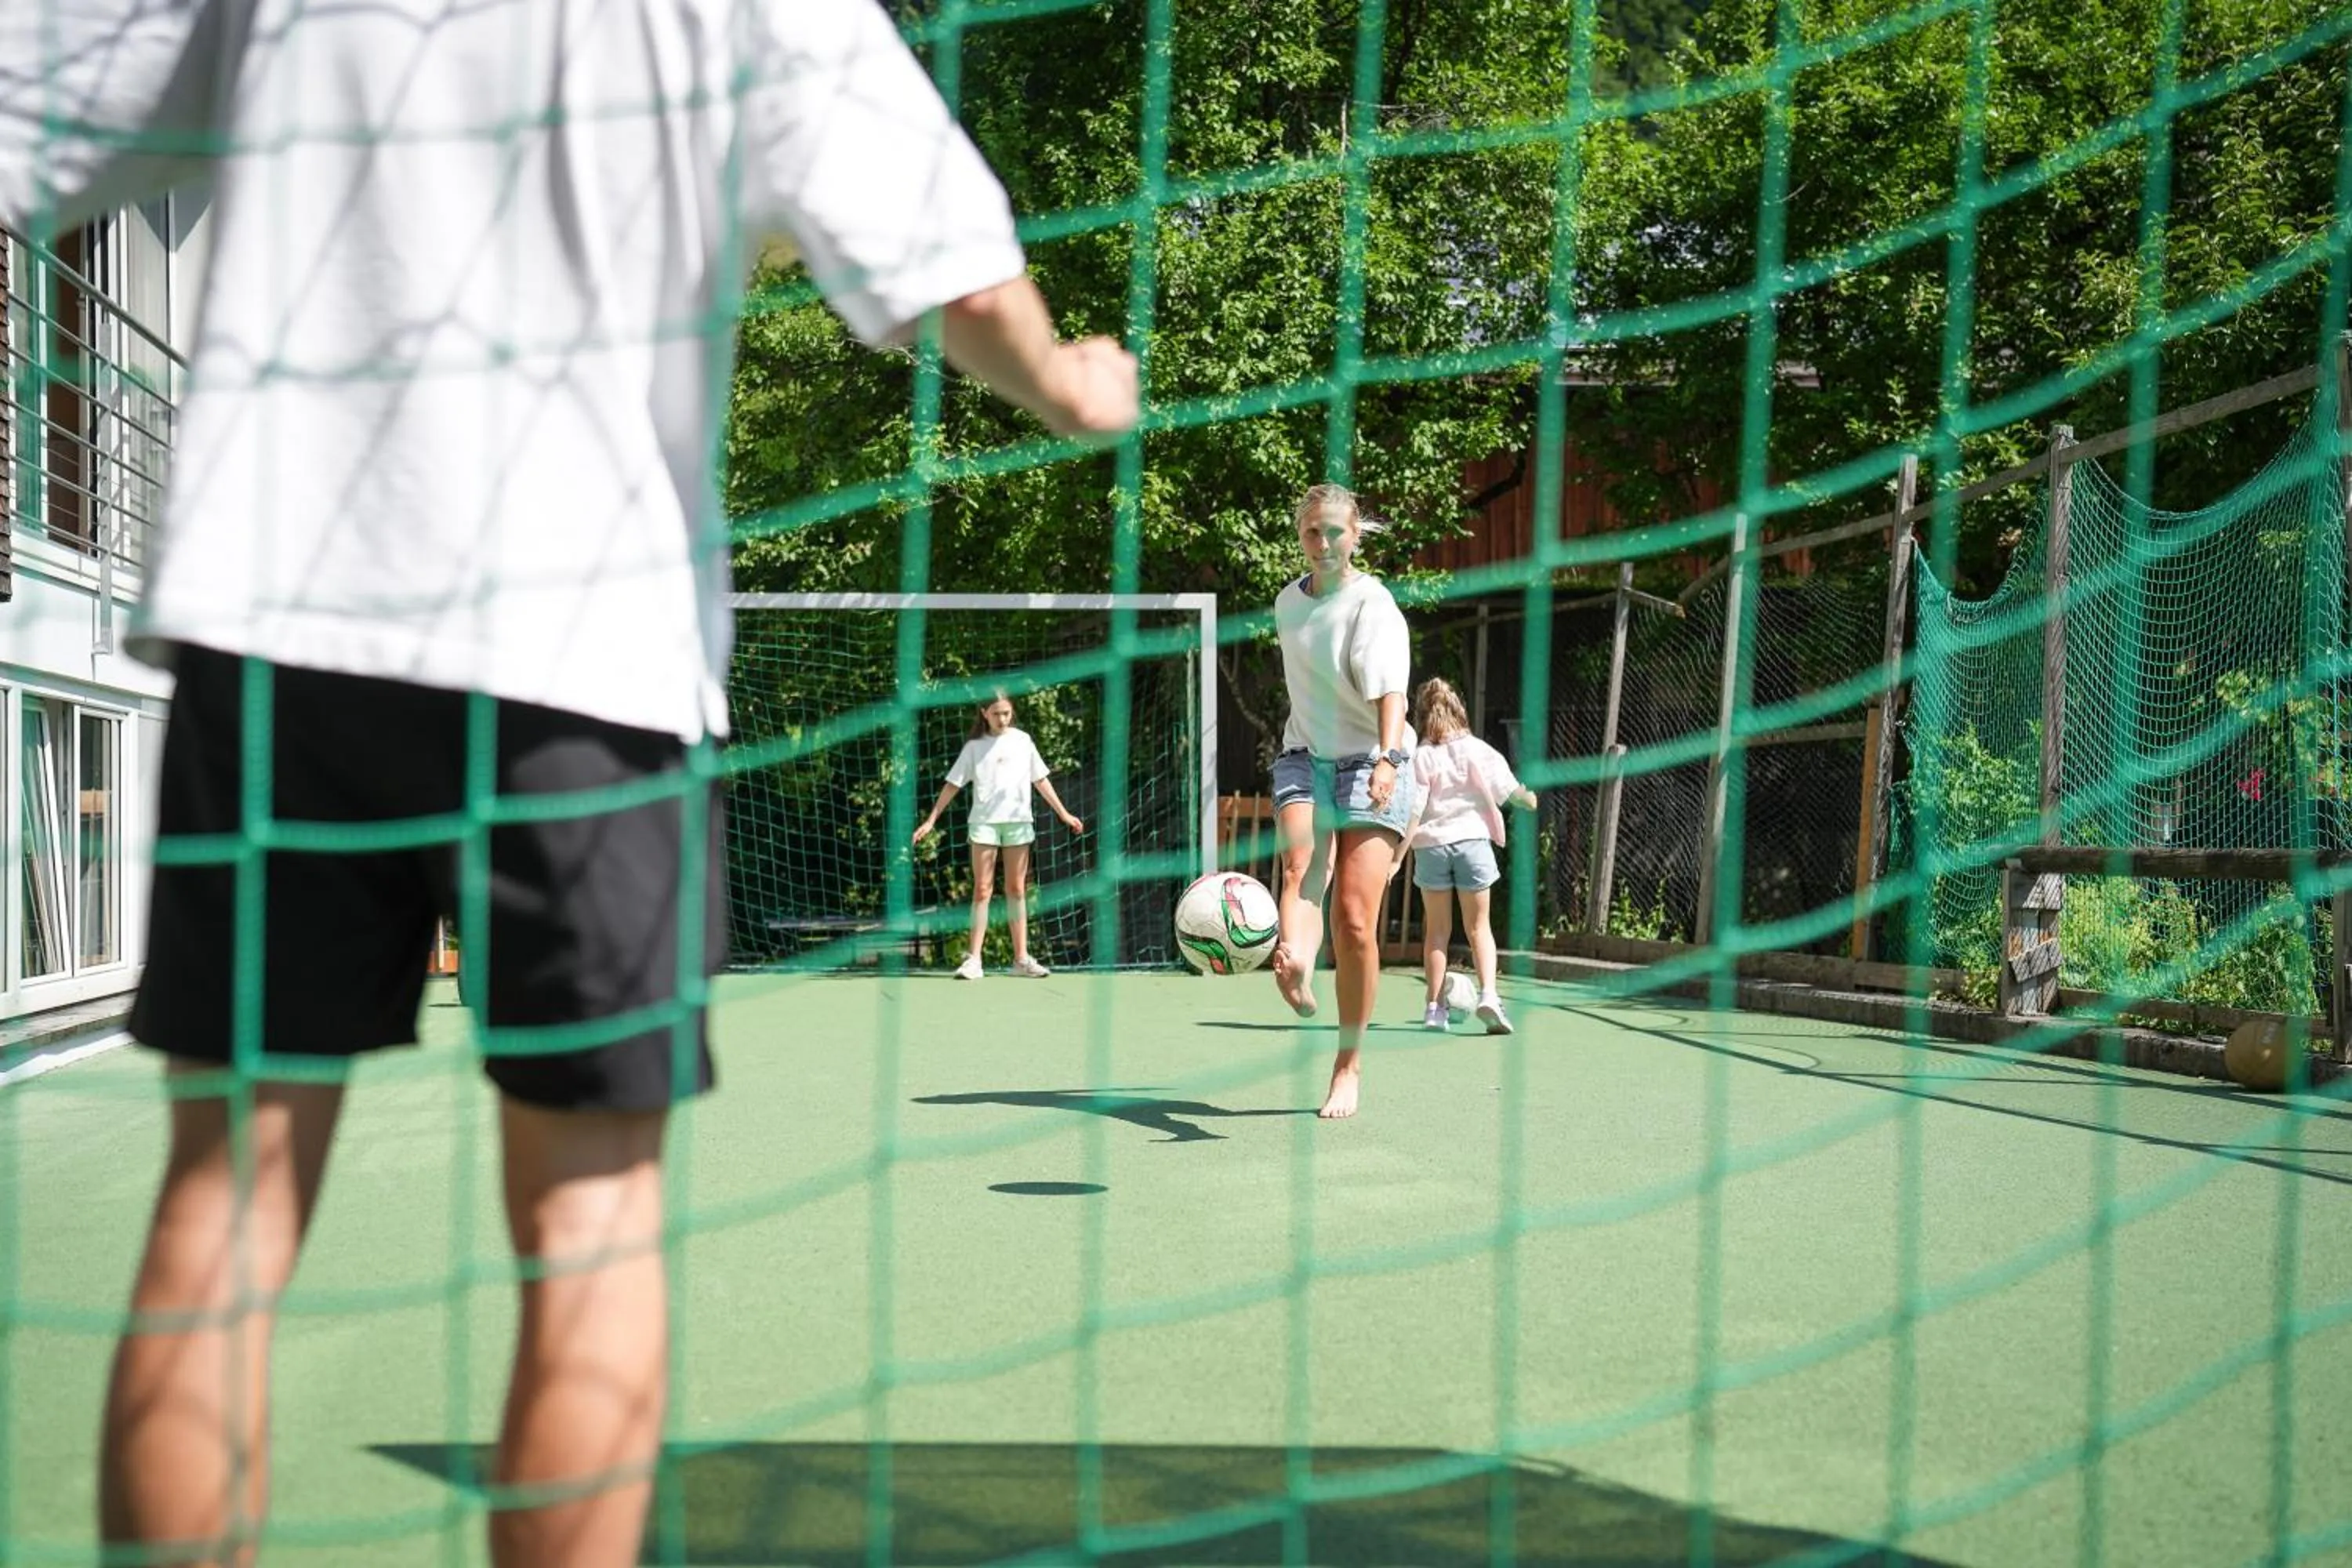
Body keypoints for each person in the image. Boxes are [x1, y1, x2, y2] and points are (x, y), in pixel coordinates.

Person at [0, 2, 1138, 1563]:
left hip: (277, 626)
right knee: (589, 1230)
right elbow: (948, 270)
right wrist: (1071, 381)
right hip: (588, 658)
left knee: (226, 1212)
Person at [1268, 484, 1415, 1120]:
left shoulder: (1373, 603)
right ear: (1299, 537)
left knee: (1354, 920)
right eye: (1310, 533)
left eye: (1334, 532)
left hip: (1374, 757)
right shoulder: (1286, 604)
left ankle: (1348, 1066)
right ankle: (1296, 962)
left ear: (1355, 536)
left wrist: (1387, 760)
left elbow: (1392, 695)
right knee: (1302, 868)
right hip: (1305, 755)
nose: (1322, 543)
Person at [1398, 677, 1537, 1035]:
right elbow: (1509, 790)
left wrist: (1398, 857)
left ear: (1422, 715)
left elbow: (1414, 810)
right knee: (1479, 928)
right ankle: (1489, 994)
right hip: (1472, 843)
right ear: (1459, 708)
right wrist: (1528, 798)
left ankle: (1433, 1009)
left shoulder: (1421, 757)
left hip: (1431, 847)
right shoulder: (1478, 749)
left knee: (1437, 933)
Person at [912, 693, 1084, 978]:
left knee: (1017, 890)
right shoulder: (974, 748)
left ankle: (1021, 960)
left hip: (1018, 823)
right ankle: (974, 961)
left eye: (1006, 713)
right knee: (983, 890)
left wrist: (1064, 814)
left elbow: (1040, 780)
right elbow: (953, 784)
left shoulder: (1023, 741)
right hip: (984, 825)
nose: (1002, 719)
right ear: (984, 713)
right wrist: (931, 820)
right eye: (996, 714)